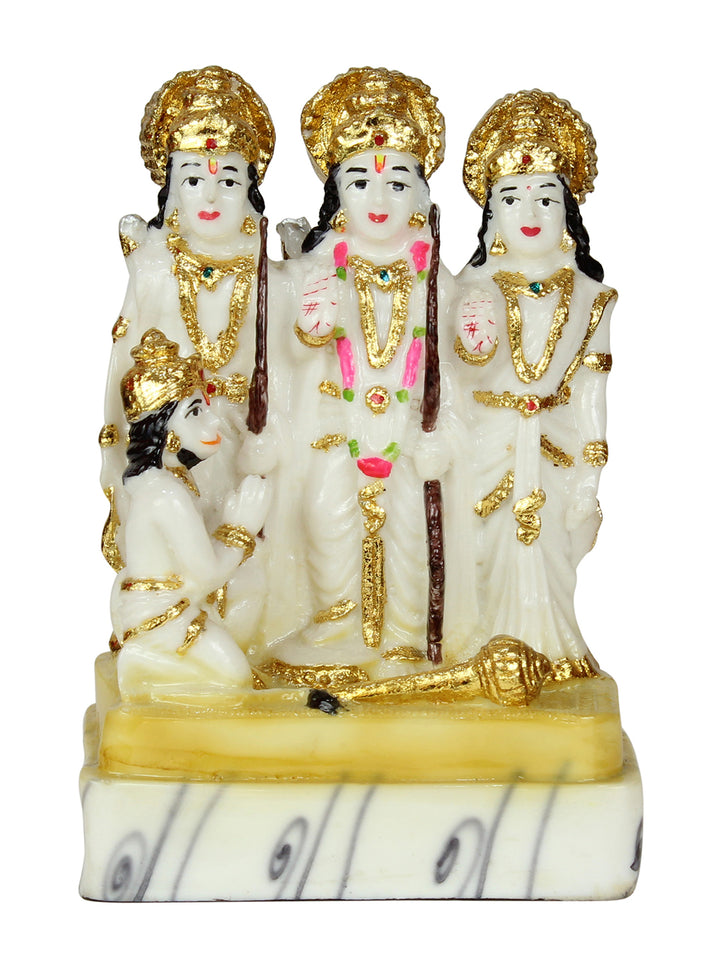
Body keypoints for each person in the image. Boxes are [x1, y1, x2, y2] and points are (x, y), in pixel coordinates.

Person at [265, 67, 470, 682]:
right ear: (337, 196)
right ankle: (336, 625)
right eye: (360, 182)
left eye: (397, 183)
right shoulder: (319, 265)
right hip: (335, 427)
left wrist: (476, 338)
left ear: (422, 200)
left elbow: (461, 356)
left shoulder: (433, 272)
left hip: (406, 431)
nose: (379, 201)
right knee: (325, 517)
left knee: (409, 531)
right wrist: (309, 329)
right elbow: (286, 354)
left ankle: (404, 640)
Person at [454, 90, 616, 681]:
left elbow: (592, 388)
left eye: (546, 198)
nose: (530, 212)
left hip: (557, 451)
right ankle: (475, 650)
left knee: (551, 548)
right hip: (482, 449)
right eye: (511, 198)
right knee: (478, 553)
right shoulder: (465, 288)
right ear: (491, 216)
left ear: (568, 212)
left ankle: (552, 651)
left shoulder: (593, 298)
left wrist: (590, 474)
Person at [100, 65, 275, 566]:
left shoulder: (267, 269)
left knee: (262, 552)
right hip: (176, 436)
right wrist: (119, 448)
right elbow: (124, 366)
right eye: (193, 179)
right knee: (186, 543)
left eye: (228, 180)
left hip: (252, 434)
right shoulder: (156, 267)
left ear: (251, 188)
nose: (211, 197)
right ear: (172, 189)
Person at [111, 329, 268, 701]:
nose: (213, 422)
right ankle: (144, 664)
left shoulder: (157, 480)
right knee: (235, 679)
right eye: (195, 412)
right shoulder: (165, 493)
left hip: (168, 602)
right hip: (162, 617)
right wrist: (241, 527)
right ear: (165, 429)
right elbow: (207, 574)